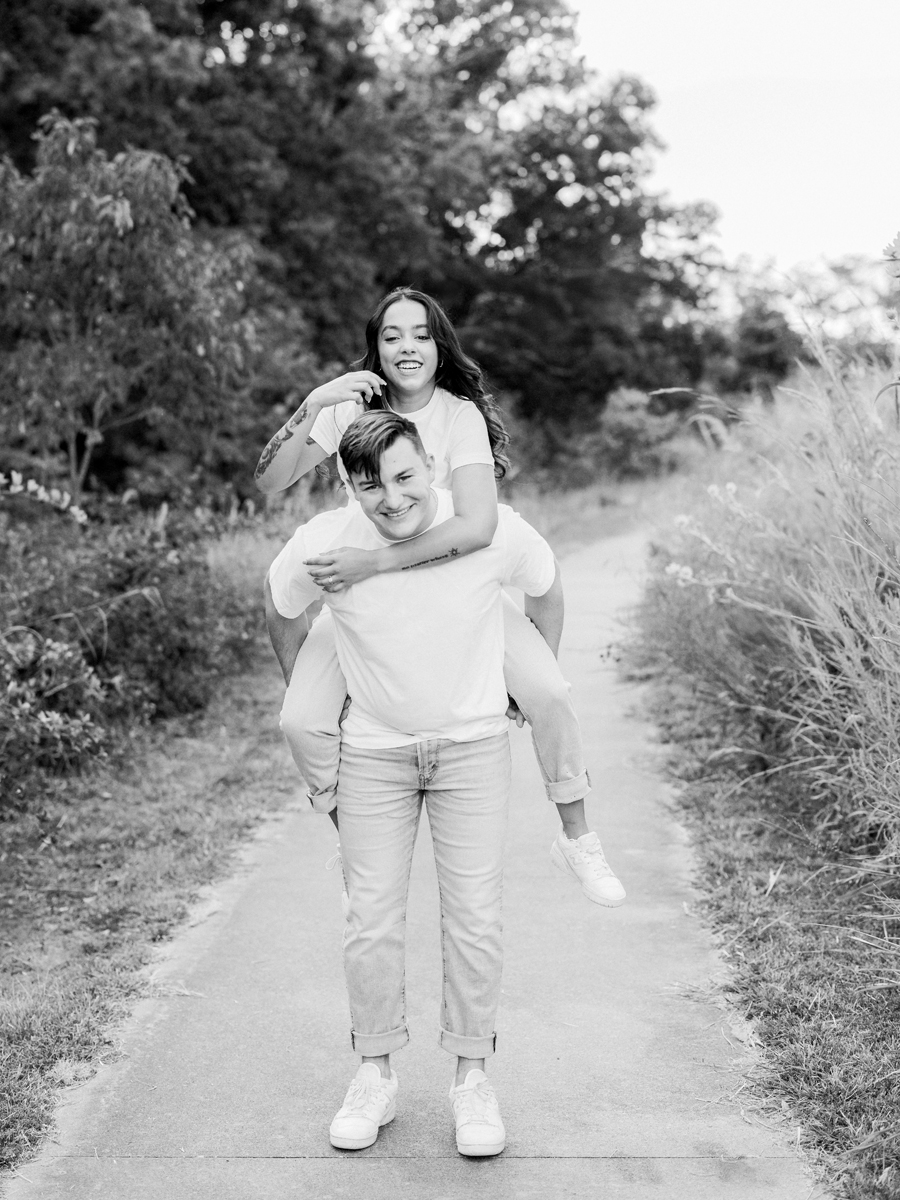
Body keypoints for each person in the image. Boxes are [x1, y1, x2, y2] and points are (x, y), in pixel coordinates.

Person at [255, 287, 624, 906]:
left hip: (453, 583)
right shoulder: (349, 407)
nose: (407, 346)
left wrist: (375, 563)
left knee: (550, 692)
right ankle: (354, 850)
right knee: (300, 720)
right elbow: (269, 482)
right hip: (365, 600)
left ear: (438, 345)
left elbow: (477, 527)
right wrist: (313, 403)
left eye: (421, 334)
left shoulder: (460, 416)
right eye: (392, 335)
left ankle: (577, 836)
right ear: (376, 346)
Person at [265, 410, 565, 1155]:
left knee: (474, 917)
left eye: (404, 478)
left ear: (430, 463)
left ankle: (472, 1081)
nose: (391, 499)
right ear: (348, 485)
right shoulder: (326, 543)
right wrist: (315, 690)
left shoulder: (490, 529)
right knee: (370, 918)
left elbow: (547, 587)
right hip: (373, 756)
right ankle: (375, 1073)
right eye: (371, 486)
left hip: (470, 751)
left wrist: (528, 690)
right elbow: (280, 608)